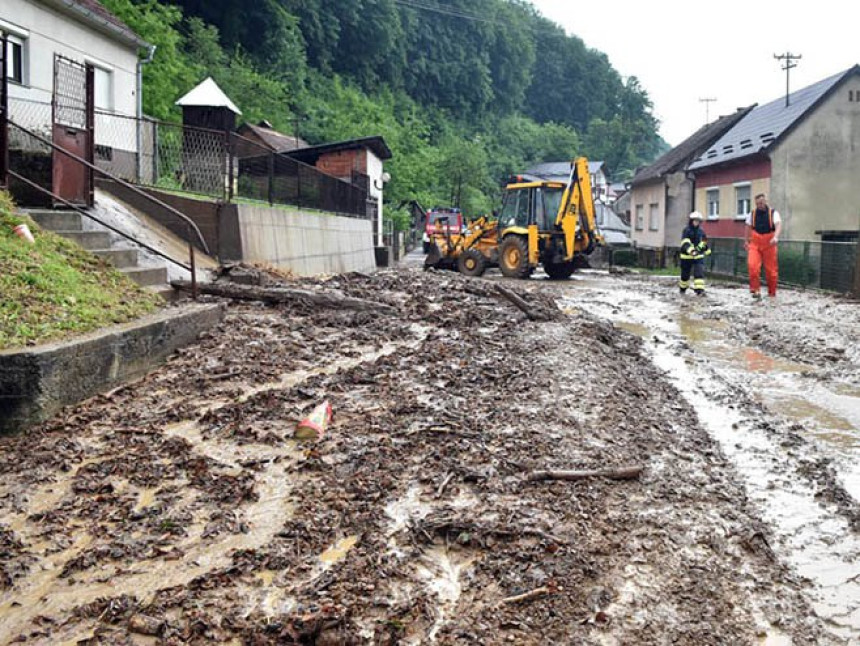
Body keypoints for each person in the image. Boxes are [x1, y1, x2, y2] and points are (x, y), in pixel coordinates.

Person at [744, 193, 782, 299]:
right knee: (752, 266)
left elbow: (778, 225)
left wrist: (775, 237)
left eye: (761, 203)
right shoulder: (752, 214)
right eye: (757, 204)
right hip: (755, 243)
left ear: (765, 201)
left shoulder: (773, 213)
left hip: (769, 243)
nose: (759, 205)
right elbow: (747, 227)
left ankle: (772, 293)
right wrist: (746, 241)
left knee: (771, 271)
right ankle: (755, 290)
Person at [679, 211, 711, 296]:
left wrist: (706, 250)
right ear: (691, 221)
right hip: (686, 257)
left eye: (698, 221)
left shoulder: (701, 231)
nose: (696, 222)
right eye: (695, 220)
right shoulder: (686, 231)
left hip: (698, 256)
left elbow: (704, 241)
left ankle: (699, 290)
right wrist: (691, 251)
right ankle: (682, 289)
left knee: (699, 272)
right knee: (685, 276)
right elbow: (685, 243)